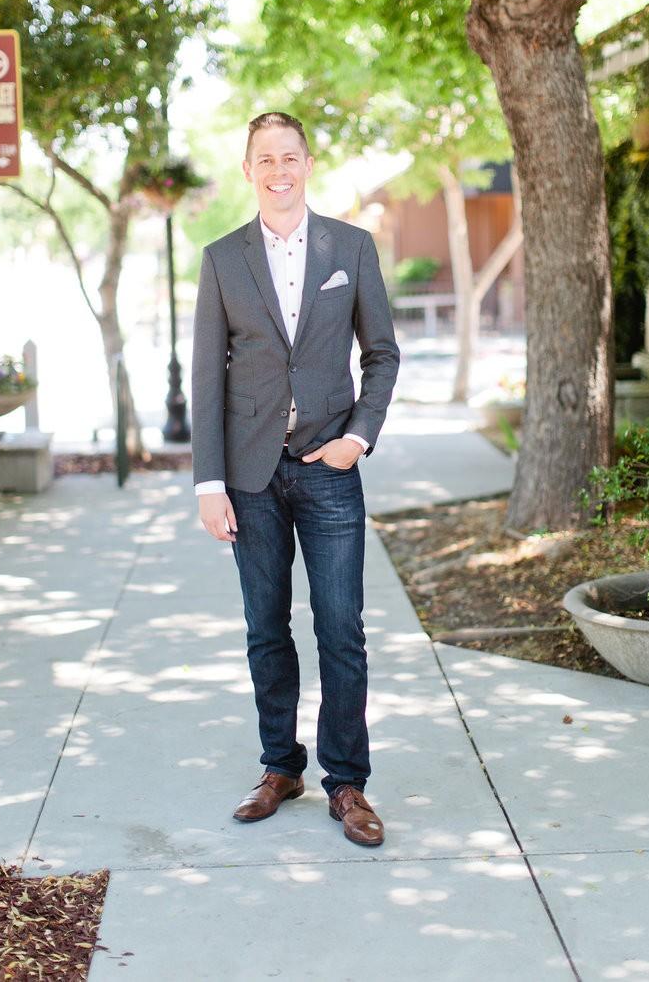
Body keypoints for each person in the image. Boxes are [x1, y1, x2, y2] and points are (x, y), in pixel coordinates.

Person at [191, 111, 399, 847]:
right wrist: (208, 483)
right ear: (248, 170)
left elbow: (382, 353)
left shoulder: (351, 246)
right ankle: (280, 766)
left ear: (307, 164)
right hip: (249, 474)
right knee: (265, 628)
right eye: (265, 159)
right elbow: (207, 376)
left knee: (341, 627)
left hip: (327, 467)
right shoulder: (222, 258)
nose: (278, 170)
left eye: (289, 157)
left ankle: (347, 782)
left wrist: (356, 438)